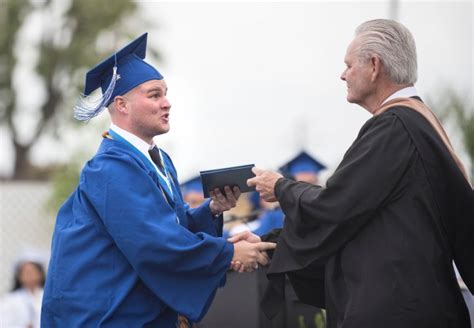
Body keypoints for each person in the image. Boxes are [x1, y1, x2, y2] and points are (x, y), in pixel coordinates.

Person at [235, 19, 474, 328]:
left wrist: (280, 187)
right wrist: (271, 244)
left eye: (348, 65)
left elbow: (335, 206)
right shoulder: (416, 124)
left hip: (398, 311)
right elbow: (361, 222)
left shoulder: (394, 127)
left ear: (374, 65)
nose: (342, 74)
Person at [41, 33, 275, 327]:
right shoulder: (110, 169)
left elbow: (168, 226)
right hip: (107, 317)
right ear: (122, 105)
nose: (167, 103)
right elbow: (154, 244)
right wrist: (228, 253)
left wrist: (212, 209)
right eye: (154, 95)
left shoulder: (158, 160)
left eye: (166, 93)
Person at [0, 260, 45, 328]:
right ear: (19, 276)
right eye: (26, 272)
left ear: (40, 274)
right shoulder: (9, 299)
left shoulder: (47, 297)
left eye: (33, 271)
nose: (30, 275)